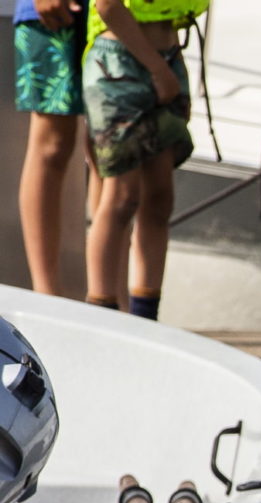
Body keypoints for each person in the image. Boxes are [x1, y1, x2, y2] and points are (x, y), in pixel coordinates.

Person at [81, 0, 202, 320]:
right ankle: (102, 313)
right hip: (119, 62)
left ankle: (146, 316)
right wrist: (158, 70)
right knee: (122, 196)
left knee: (160, 196)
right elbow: (108, 6)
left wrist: (166, 67)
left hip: (168, 57)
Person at [13, 0, 92, 296]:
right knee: (52, 145)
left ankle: (107, 299)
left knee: (110, 150)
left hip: (123, 16)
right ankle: (45, 294)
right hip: (54, 14)